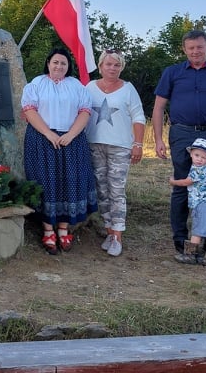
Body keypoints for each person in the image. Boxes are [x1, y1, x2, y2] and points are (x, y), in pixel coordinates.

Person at [152, 30, 206, 261]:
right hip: (181, 133)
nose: (195, 51)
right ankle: (181, 239)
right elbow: (158, 108)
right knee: (181, 185)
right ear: (184, 49)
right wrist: (158, 139)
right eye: (191, 48)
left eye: (199, 47)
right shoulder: (172, 73)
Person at [21, 47, 97, 254]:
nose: (59, 66)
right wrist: (48, 133)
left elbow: (84, 111)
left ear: (68, 66)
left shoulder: (77, 86)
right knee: (46, 181)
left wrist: (71, 134)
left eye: (63, 63)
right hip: (42, 140)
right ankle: (47, 231)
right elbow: (29, 110)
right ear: (48, 63)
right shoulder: (36, 84)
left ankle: (63, 229)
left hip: (71, 140)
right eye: (55, 62)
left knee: (68, 181)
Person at [85, 49, 146, 256]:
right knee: (101, 189)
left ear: (121, 67)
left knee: (116, 189)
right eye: (108, 64)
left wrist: (138, 143)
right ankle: (109, 231)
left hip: (120, 146)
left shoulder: (128, 89)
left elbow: (138, 116)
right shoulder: (90, 87)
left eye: (117, 65)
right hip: (94, 144)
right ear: (101, 66)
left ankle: (118, 235)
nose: (112, 68)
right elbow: (80, 111)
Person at [169, 138, 206, 268]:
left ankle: (190, 255)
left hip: (202, 204)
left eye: (203, 157)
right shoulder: (204, 168)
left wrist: (174, 182)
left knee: (197, 230)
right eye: (197, 155)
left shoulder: (198, 170)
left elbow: (187, 182)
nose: (199, 159)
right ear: (191, 154)